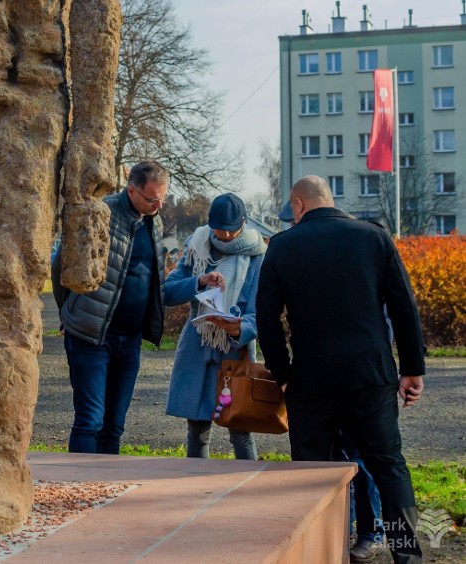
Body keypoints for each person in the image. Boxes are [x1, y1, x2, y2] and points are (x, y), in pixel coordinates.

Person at [257, 176, 425, 564]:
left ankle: (319, 555)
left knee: (312, 474)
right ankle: (408, 557)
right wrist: (412, 368)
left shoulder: (282, 247)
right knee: (389, 467)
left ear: (298, 205)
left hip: (311, 380)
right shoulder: (373, 237)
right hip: (371, 375)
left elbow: (267, 319)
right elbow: (403, 305)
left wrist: (282, 373)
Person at [279, 198, 385, 562]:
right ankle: (340, 527)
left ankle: (371, 530)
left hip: (355, 375)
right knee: (327, 457)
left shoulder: (357, 247)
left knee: (358, 455)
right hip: (317, 376)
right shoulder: (300, 254)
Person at [52, 160, 168, 454]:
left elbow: (153, 280)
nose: (159, 205)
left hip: (129, 341)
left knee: (114, 426)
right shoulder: (101, 214)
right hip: (91, 337)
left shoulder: (155, 222)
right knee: (90, 421)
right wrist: (70, 312)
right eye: (152, 199)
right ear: (132, 191)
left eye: (163, 198)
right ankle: (78, 489)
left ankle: (104, 487)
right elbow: (62, 265)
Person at [164, 193, 267, 460]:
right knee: (197, 430)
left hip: (234, 349)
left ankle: (247, 490)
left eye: (229, 230)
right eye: (217, 228)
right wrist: (199, 281)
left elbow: (261, 311)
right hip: (197, 346)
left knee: (240, 428)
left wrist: (238, 329)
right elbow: (168, 292)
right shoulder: (197, 245)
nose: (222, 234)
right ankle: (196, 486)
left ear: (243, 224)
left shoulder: (257, 256)